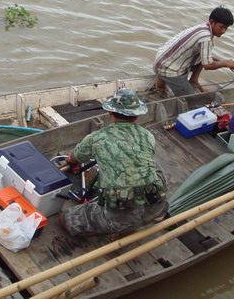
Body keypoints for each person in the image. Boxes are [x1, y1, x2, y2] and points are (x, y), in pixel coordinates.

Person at [59, 88, 168, 237]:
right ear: (136, 116)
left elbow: (76, 158)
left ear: (110, 113)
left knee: (64, 219)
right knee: (154, 166)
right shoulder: (148, 136)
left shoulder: (96, 137)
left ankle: (116, 227)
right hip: (157, 207)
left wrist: (70, 161)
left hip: (120, 216)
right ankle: (132, 223)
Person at [153, 6, 234, 97]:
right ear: (212, 22)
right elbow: (208, 66)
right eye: (221, 27)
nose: (224, 31)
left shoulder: (203, 27)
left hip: (162, 60)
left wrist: (221, 62)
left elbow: (206, 57)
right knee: (192, 99)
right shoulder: (205, 37)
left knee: (204, 57)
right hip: (167, 67)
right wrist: (225, 63)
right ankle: (162, 78)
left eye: (226, 28)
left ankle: (193, 79)